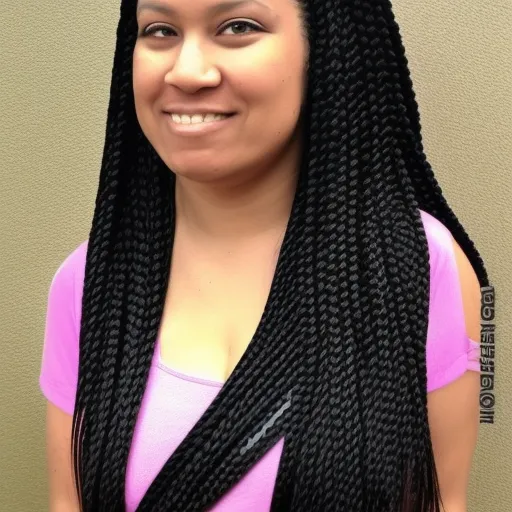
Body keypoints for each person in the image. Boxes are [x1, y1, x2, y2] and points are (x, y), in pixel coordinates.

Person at [39, 0, 490, 510]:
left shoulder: (423, 268)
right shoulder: (88, 283)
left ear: (324, 49)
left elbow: (442, 501)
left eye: (238, 27)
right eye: (160, 30)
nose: (187, 71)